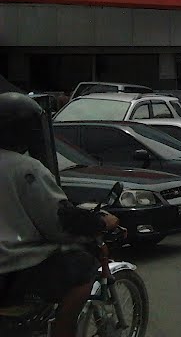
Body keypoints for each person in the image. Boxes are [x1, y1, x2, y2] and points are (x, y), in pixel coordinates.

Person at [0, 93, 120, 337]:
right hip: (9, 268)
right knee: (82, 269)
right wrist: (99, 222)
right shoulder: (25, 168)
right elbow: (57, 223)